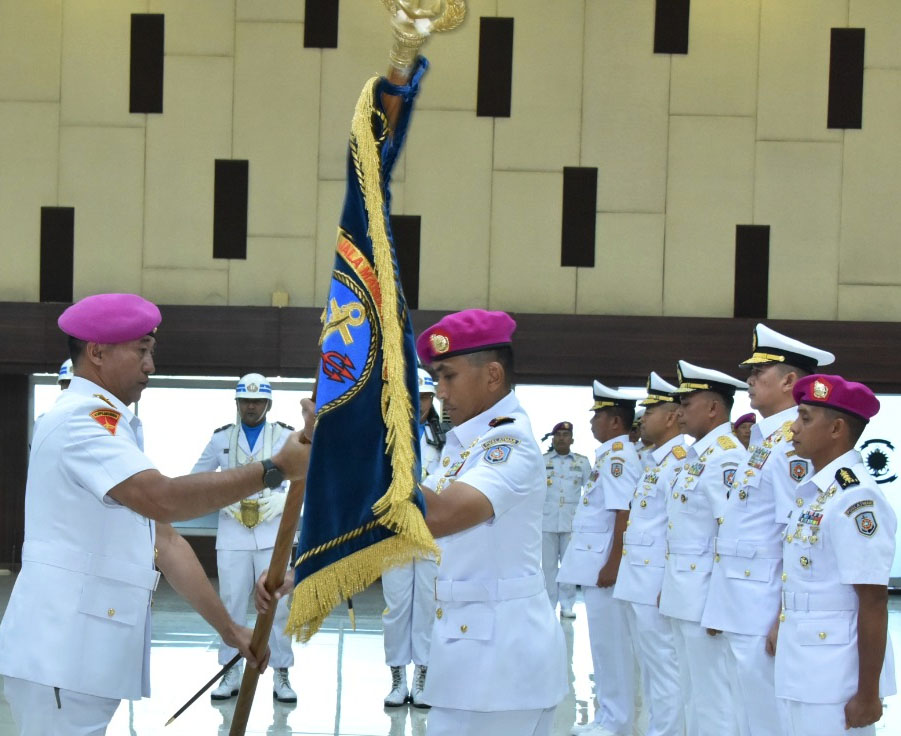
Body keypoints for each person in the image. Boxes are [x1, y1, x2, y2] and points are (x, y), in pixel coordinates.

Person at [0, 292, 312, 736]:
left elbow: (163, 539)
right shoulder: (81, 421)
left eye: (152, 351)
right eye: (141, 350)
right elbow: (162, 498)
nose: (150, 365)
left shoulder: (112, 425)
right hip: (61, 656)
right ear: (97, 352)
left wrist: (230, 630)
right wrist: (274, 470)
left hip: (82, 657)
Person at [414, 308, 567, 736]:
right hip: (470, 658)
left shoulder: (510, 440)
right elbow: (406, 525)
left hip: (502, 667)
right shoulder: (464, 445)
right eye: (437, 378)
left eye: (449, 376)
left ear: (493, 376)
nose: (440, 392)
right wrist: (308, 572)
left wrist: (364, 457)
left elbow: (439, 514)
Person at [701, 324, 834, 736]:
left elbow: (797, 534)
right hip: (741, 600)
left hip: (763, 605)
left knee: (766, 717)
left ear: (789, 380)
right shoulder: (764, 438)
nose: (750, 381)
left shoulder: (795, 441)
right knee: (745, 712)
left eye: (759, 373)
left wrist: (782, 615)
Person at [770, 374, 896, 735]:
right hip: (801, 661)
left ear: (837, 428)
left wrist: (868, 693)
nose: (793, 428)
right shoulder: (814, 492)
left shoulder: (856, 498)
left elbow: (873, 599)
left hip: (835, 672)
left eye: (805, 418)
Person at [191, 373, 298, 703]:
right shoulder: (221, 438)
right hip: (233, 534)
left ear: (268, 404)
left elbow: (309, 477)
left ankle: (282, 673)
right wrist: (221, 497)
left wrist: (285, 498)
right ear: (237, 403)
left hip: (272, 534)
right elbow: (196, 480)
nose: (251, 406)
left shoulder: (286, 437)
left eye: (257, 401)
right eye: (245, 401)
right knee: (231, 605)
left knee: (278, 606)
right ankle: (230, 671)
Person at [658, 360, 748, 736]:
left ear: (713, 408)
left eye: (687, 403)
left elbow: (730, 533)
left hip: (705, 597)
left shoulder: (727, 456)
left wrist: (720, 604)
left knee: (714, 698)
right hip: (685, 592)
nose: (679, 412)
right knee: (692, 693)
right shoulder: (699, 456)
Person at [558, 380, 642, 736]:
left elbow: (624, 512)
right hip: (596, 565)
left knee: (613, 647)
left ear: (615, 422)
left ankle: (617, 722)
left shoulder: (619, 458)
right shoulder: (608, 456)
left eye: (598, 416)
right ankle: (608, 716)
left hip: (605, 568)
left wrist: (614, 564)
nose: (592, 422)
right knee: (604, 647)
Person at [612, 372, 685, 736]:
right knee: (652, 668)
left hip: (656, 582)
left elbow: (681, 530)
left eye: (651, 410)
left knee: (665, 669)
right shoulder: (658, 461)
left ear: (671, 416)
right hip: (640, 579)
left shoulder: (680, 463)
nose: (642, 418)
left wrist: (668, 582)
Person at [380, 367, 441, 708]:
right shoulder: (384, 433)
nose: (421, 404)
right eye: (415, 397)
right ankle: (397, 677)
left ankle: (423, 676)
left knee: (428, 605)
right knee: (397, 606)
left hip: (434, 531)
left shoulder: (448, 438)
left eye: (427, 397)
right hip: (395, 531)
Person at [541, 420, 591, 619]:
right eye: (558, 435)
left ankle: (567, 604)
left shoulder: (582, 462)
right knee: (548, 566)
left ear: (572, 439)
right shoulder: (542, 461)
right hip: (546, 521)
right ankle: (549, 604)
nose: (561, 438)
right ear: (553, 439)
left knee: (569, 565)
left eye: (565, 435)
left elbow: (591, 492)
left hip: (572, 522)